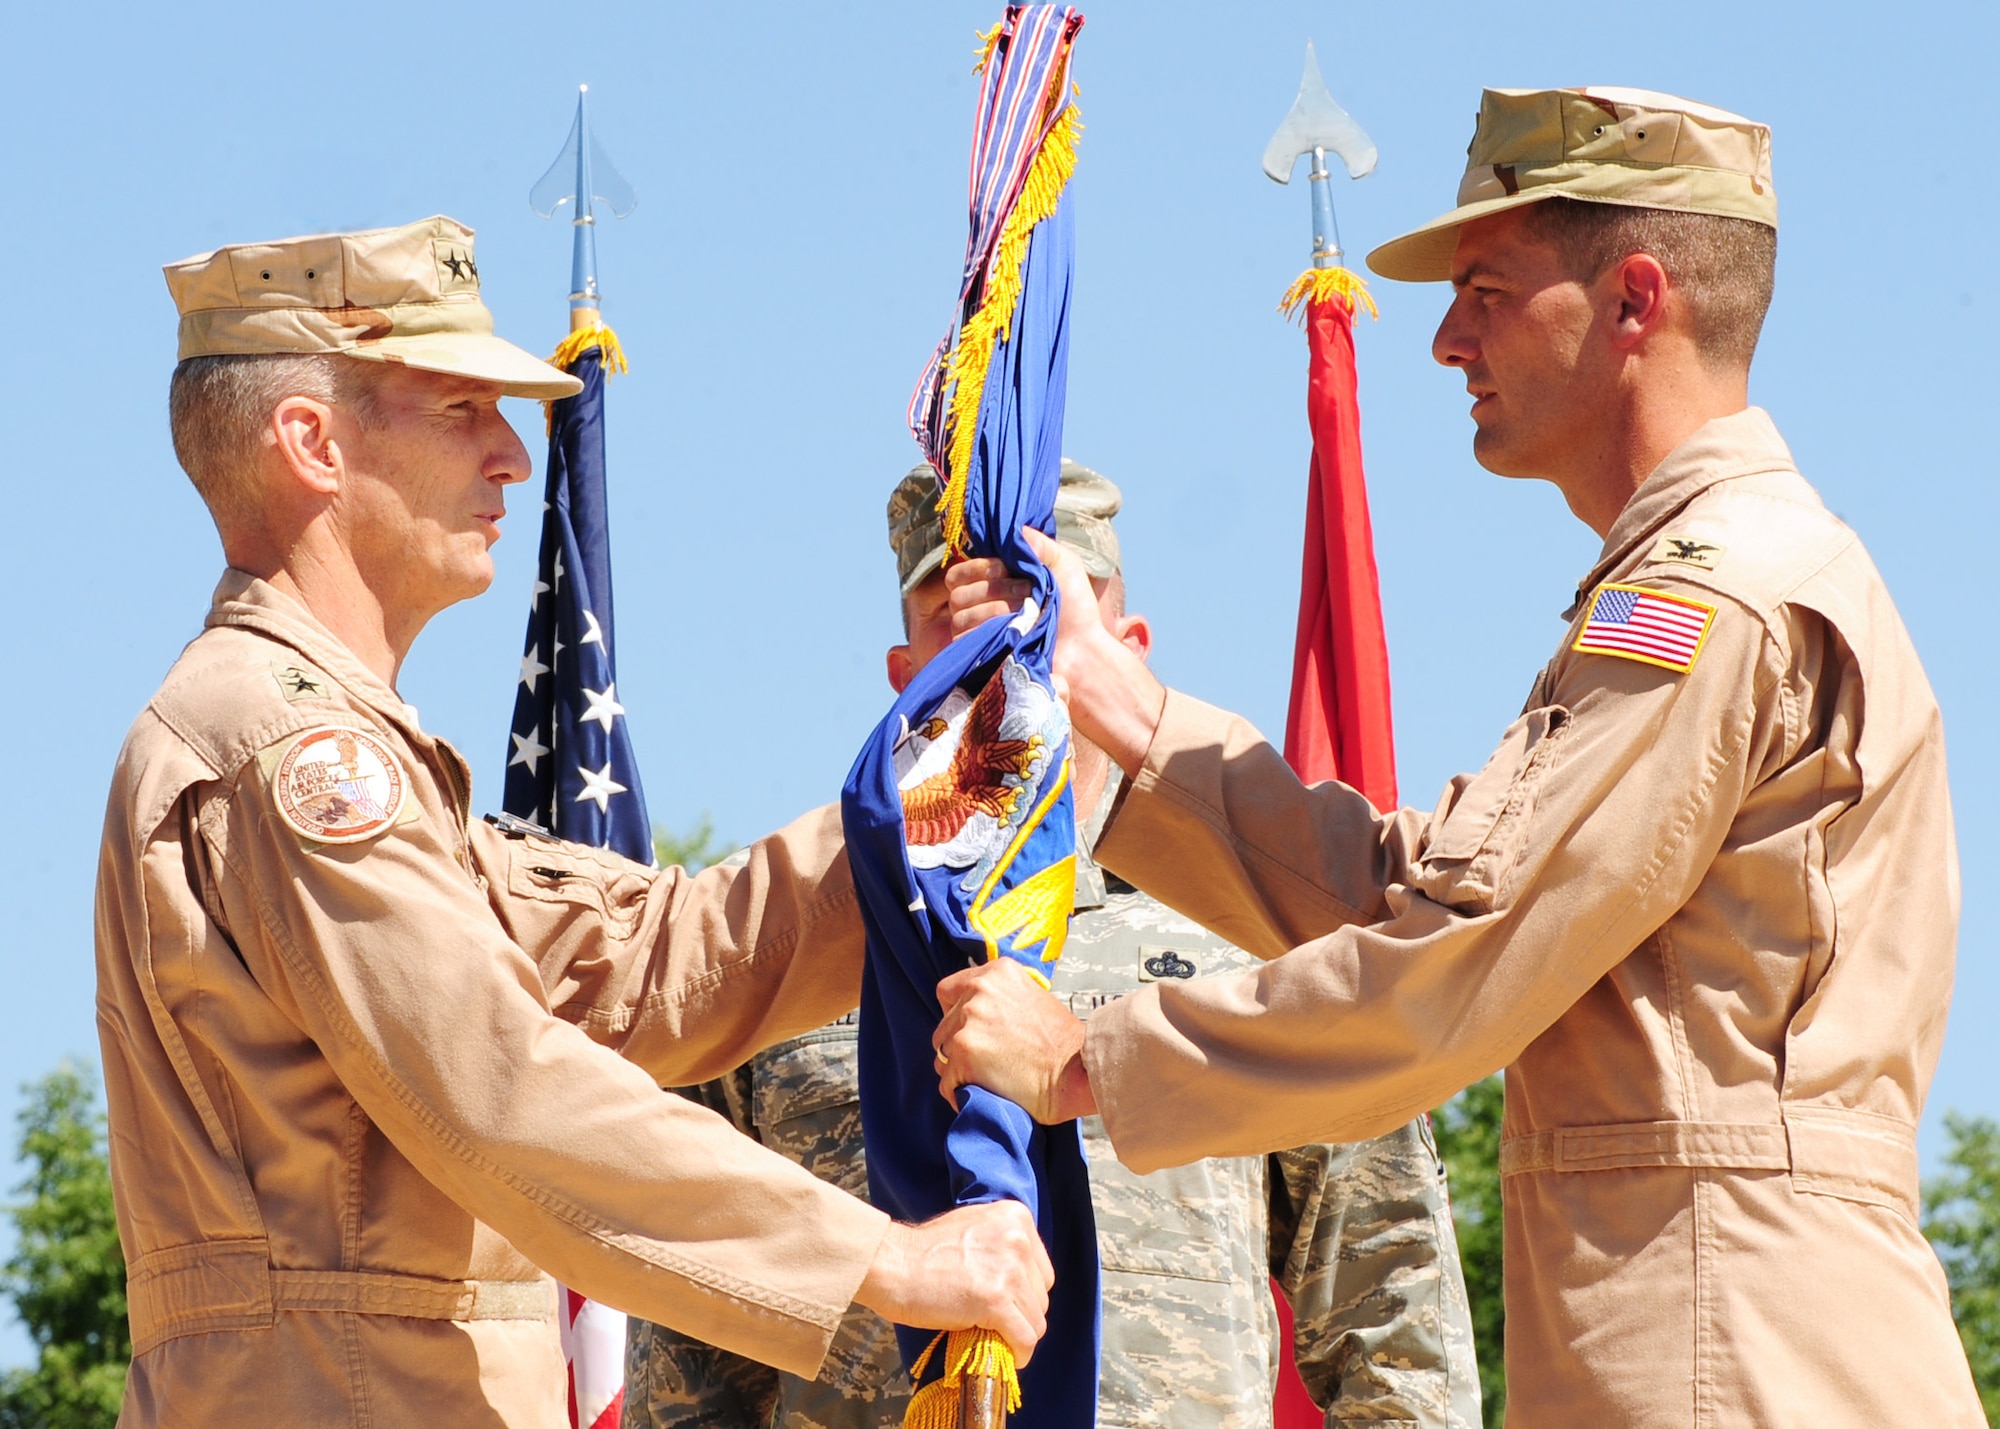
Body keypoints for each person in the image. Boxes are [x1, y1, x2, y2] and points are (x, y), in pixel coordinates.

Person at [932, 88, 1985, 1425]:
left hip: (1731, 1352)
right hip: (1723, 1327)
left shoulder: (1714, 599)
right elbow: (1427, 902)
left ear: (1634, 301)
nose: (1442, 339)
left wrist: (1088, 1059)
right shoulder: (1710, 583)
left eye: (1487, 289)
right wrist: (1128, 714)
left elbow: (1455, 967)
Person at [96, 216, 1051, 1429]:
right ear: (310, 442)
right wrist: (885, 1261)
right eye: (459, 408)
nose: (510, 455)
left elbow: (654, 966)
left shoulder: (331, 741)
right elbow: (498, 1085)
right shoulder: (290, 750)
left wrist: (973, 764)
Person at [625, 462, 1481, 1429]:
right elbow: (691, 1347)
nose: (1006, 665)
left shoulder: (1252, 935)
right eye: (968, 638)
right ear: (909, 679)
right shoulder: (773, 953)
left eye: (1037, 622)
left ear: (1125, 654)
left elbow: (1393, 1322)